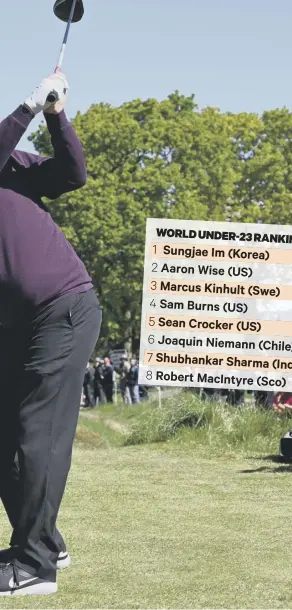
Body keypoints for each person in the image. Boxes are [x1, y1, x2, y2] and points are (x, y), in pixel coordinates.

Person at [0, 73, 101, 596]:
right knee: (5, 437)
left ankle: (37, 566)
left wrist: (57, 115)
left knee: (37, 433)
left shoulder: (14, 165)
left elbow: (73, 173)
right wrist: (24, 108)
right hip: (16, 324)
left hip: (62, 308)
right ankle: (42, 541)